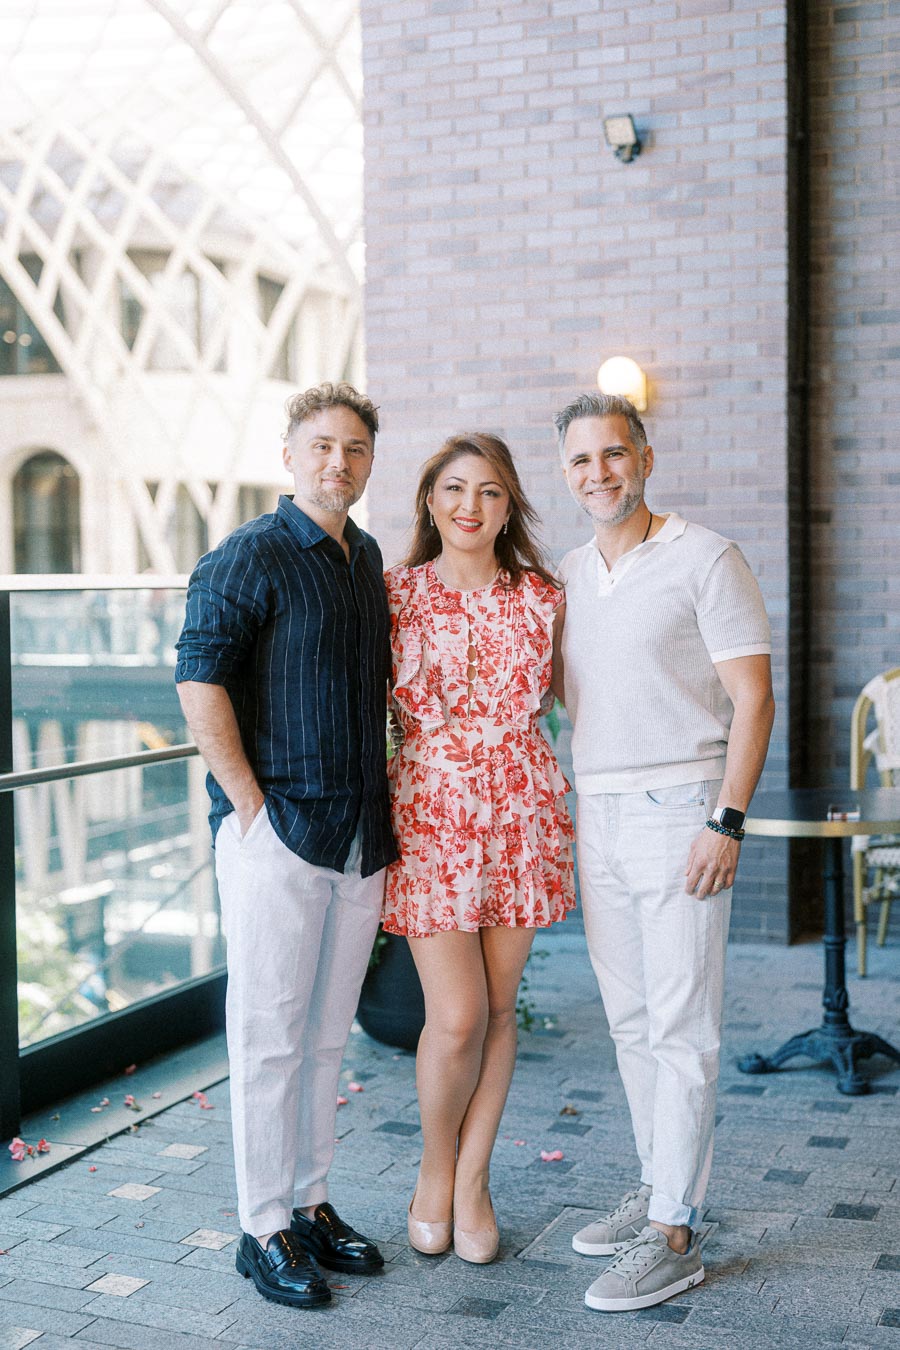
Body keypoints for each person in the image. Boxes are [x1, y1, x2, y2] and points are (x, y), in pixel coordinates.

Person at [174, 382, 397, 1310]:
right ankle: (261, 1227)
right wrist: (250, 809)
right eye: (322, 446)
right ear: (290, 455)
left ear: (369, 460)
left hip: (359, 838)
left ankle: (309, 1203)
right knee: (268, 1040)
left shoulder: (365, 556)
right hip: (280, 836)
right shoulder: (247, 556)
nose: (338, 461)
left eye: (355, 447)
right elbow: (199, 683)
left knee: (325, 1037)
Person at [554, 392, 775, 1313]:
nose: (599, 473)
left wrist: (726, 820)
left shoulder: (706, 557)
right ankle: (659, 1188)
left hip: (682, 808)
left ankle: (676, 1233)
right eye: (581, 460)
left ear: (644, 457)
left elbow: (753, 698)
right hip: (597, 812)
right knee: (633, 1019)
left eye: (614, 453)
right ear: (566, 474)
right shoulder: (569, 572)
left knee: (682, 1023)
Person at [383, 433, 576, 1265]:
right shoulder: (393, 595)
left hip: (520, 810)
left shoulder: (543, 597)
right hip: (429, 813)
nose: (471, 505)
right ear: (430, 501)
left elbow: (588, 698)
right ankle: (435, 1169)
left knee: (498, 1009)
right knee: (456, 1016)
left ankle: (473, 1182)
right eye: (455, 489)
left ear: (508, 508)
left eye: (490, 491)